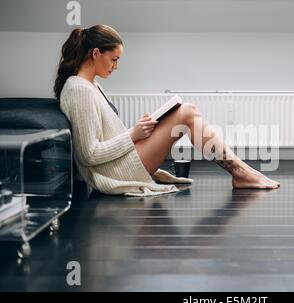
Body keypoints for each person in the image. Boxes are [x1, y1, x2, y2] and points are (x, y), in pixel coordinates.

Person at [54, 24, 280, 196]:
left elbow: (108, 134)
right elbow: (89, 154)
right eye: (114, 59)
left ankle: (241, 171)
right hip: (114, 172)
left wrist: (143, 128)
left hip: (121, 160)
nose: (116, 66)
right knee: (187, 113)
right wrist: (134, 134)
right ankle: (241, 172)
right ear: (95, 54)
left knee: (186, 110)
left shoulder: (91, 85)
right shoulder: (79, 89)